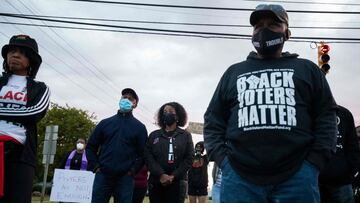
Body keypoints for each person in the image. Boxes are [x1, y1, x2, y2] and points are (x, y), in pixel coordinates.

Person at [204, 4, 337, 203]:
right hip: (239, 178)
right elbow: (213, 119)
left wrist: (314, 163)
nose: (264, 30)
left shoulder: (307, 70)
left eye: (273, 24)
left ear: (287, 33)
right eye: (258, 26)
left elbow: (326, 117)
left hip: (297, 178)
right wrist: (223, 161)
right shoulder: (233, 73)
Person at [0, 34, 50, 203]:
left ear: (31, 61)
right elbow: (26, 113)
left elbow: (35, 113)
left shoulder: (39, 88)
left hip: (20, 155)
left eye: (22, 53)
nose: (15, 55)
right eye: (12, 51)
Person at [86, 88, 148, 203]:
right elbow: (90, 147)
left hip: (125, 179)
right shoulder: (105, 123)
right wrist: (95, 167)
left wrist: (132, 171)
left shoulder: (140, 127)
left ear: (135, 104)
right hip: (103, 176)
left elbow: (143, 154)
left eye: (130, 98)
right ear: (120, 100)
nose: (126, 100)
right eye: (124, 97)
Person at [145, 102, 194, 203]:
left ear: (178, 116)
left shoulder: (185, 135)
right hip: (156, 181)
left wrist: (173, 176)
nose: (167, 114)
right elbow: (148, 157)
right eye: (165, 112)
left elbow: (189, 158)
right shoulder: (154, 135)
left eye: (171, 112)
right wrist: (161, 174)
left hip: (178, 182)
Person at [319, 105, 360, 203]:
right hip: (314, 180)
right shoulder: (310, 111)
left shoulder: (345, 113)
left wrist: (352, 172)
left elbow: (352, 146)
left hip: (342, 182)